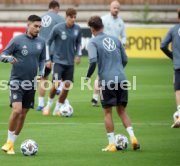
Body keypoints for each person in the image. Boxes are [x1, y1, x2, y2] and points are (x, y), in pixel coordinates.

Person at [86, 16, 140, 152]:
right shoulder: (116, 40)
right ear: (102, 26)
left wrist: (88, 76)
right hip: (122, 79)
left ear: (92, 29)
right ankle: (133, 137)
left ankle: (112, 144)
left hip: (106, 81)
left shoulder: (93, 42)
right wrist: (118, 70)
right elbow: (125, 59)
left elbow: (92, 61)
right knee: (122, 111)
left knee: (108, 112)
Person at [0, 15, 45, 155]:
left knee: (23, 114)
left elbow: (43, 60)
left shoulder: (42, 42)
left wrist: (42, 72)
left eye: (39, 27)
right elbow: (2, 55)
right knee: (17, 110)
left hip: (31, 84)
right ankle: (8, 141)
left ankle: (11, 144)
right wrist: (9, 58)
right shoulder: (17, 40)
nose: (38, 29)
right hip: (16, 81)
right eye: (35, 26)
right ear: (28, 25)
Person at [42, 8, 82, 116]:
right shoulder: (57, 28)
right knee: (56, 84)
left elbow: (79, 43)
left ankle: (57, 109)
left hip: (70, 63)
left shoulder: (77, 29)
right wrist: (48, 59)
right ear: (66, 17)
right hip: (58, 61)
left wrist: (78, 54)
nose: (73, 19)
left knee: (67, 86)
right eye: (71, 17)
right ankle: (48, 105)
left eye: (75, 17)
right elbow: (48, 42)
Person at [91, 0, 127, 107]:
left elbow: (124, 35)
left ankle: (111, 96)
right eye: (114, 7)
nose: (116, 10)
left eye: (118, 8)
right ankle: (95, 97)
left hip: (115, 51)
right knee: (101, 74)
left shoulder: (121, 22)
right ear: (110, 8)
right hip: (104, 50)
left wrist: (123, 43)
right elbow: (95, 34)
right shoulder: (103, 19)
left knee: (113, 73)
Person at [37, 0, 65, 111]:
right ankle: (60, 98)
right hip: (55, 50)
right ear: (56, 8)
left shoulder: (40, 18)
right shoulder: (59, 19)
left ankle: (40, 104)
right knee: (60, 76)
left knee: (43, 77)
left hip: (42, 50)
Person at [160, 8, 180, 128]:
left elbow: (163, 45)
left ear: (178, 17)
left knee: (178, 90)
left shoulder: (173, 29)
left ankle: (179, 114)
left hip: (178, 65)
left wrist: (173, 56)